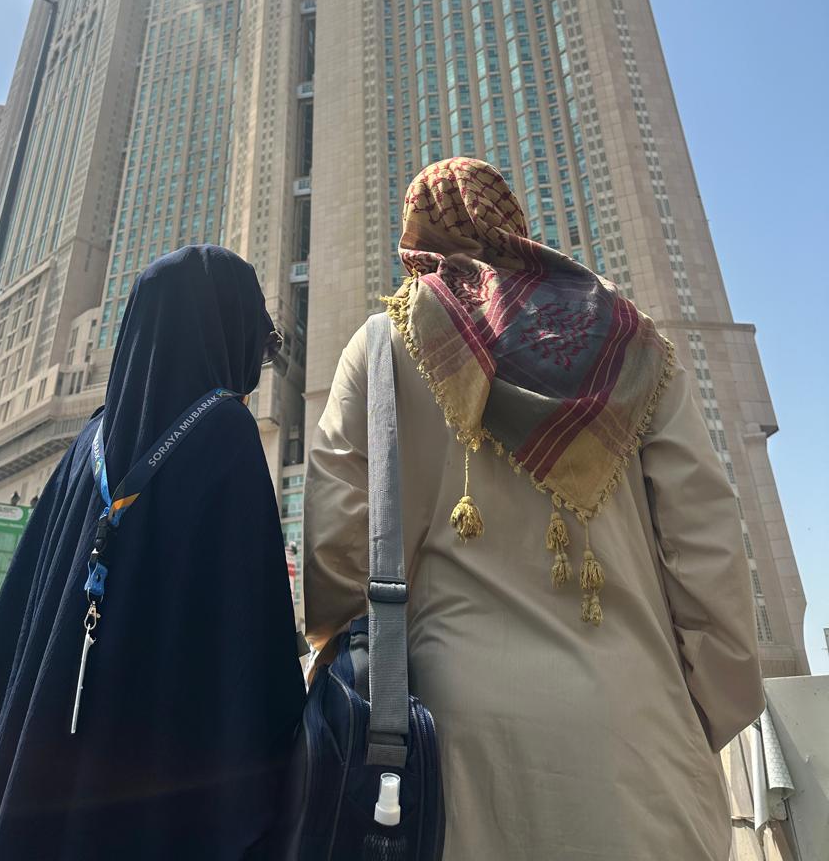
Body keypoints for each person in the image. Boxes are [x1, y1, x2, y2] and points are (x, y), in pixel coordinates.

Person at [304, 158, 764, 861]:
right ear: (513, 224)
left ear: (417, 235)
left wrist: (354, 667)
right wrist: (700, 713)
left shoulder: (381, 346)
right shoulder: (633, 342)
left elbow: (335, 548)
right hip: (643, 740)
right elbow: (708, 547)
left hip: (448, 763)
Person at [0, 245, 305, 861]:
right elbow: (252, 643)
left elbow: (10, 628)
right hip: (147, 782)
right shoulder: (225, 431)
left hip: (36, 777)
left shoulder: (84, 445)